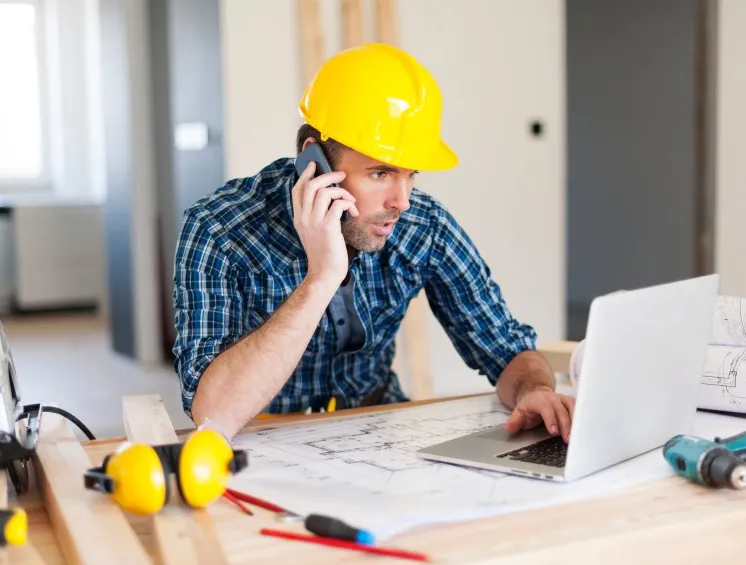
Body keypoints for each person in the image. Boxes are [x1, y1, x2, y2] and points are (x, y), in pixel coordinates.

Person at [172, 43, 575, 440]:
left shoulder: (422, 224)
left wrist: (535, 391)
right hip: (263, 437)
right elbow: (213, 413)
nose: (401, 202)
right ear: (314, 163)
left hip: (377, 428)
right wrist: (321, 278)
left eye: (411, 174)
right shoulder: (220, 230)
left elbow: (506, 350)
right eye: (380, 174)